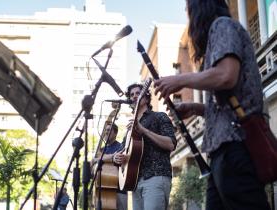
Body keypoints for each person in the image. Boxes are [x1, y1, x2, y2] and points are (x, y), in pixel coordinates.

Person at [153, 0, 271, 209]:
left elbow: (226, 76)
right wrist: (198, 109)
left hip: (235, 147)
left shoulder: (223, 25)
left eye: (188, 10)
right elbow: (228, 104)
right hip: (223, 151)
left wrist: (179, 80)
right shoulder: (218, 35)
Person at [113, 83, 176, 210]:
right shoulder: (130, 128)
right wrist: (117, 157)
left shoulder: (159, 117)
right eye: (131, 95)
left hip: (156, 176)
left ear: (146, 97)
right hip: (134, 182)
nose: (134, 96)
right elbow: (123, 151)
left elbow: (170, 144)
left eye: (138, 93)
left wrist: (144, 130)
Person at [92, 123, 128, 210]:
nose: (106, 132)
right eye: (105, 130)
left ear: (115, 133)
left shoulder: (120, 147)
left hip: (119, 191)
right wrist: (111, 156)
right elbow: (92, 162)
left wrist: (100, 158)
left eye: (109, 130)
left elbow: (119, 158)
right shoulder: (101, 150)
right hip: (101, 191)